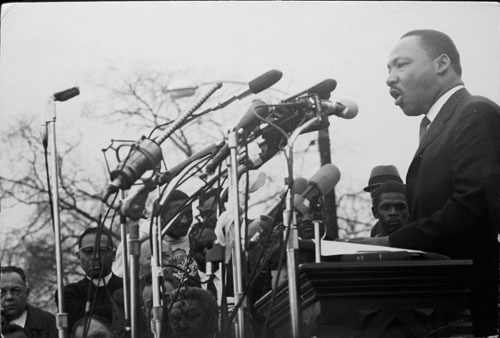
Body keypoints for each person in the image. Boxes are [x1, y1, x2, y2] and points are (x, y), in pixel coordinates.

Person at [351, 29, 500, 336]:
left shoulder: (475, 112)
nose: (390, 78)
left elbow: (473, 208)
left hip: (470, 313)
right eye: (388, 70)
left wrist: (390, 244)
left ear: (441, 64)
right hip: (438, 307)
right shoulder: (436, 126)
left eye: (400, 64)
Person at [57, 226, 123, 332]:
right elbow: (80, 321)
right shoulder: (67, 294)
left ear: (114, 255)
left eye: (102, 251)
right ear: (78, 256)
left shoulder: (129, 287)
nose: (95, 256)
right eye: (88, 251)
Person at [1, 266, 57, 338]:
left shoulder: (50, 323)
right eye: (2, 292)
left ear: (27, 293)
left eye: (16, 290)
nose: (9, 297)